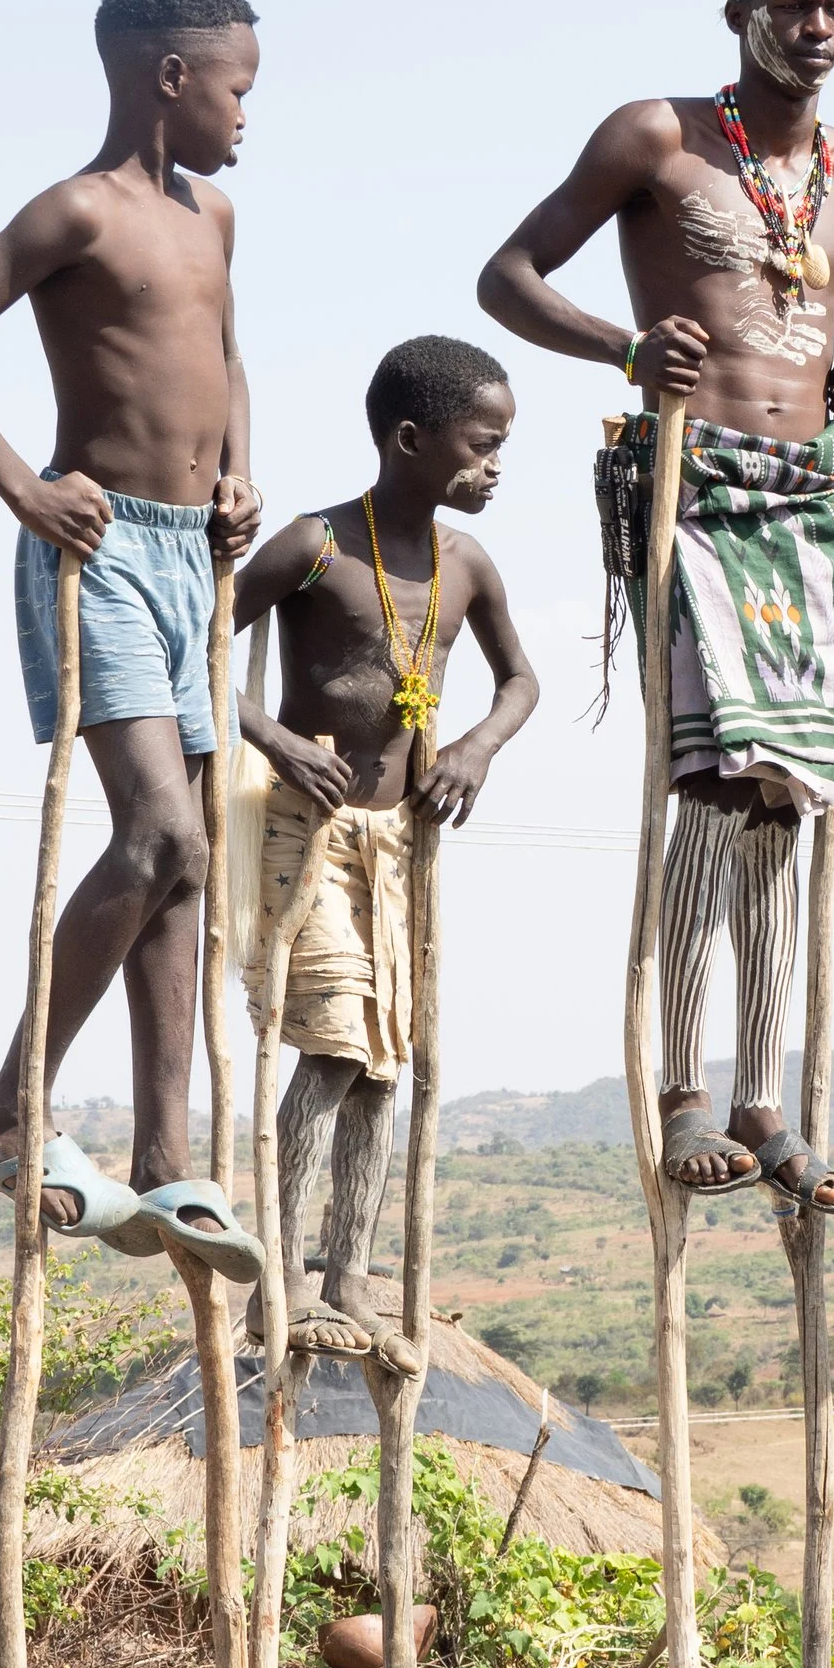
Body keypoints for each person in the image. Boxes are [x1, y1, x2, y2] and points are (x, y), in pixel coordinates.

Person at [477, 0, 834, 1218]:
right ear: (739, 14)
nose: (817, 27)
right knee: (716, 783)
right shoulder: (657, 140)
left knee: (789, 795)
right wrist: (622, 348)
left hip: (806, 496)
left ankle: (764, 1102)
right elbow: (506, 274)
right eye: (792, 6)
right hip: (693, 481)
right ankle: (679, 1094)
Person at [0, 0, 268, 1281]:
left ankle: (168, 1161)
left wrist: (238, 476)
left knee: (193, 860)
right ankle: (5, 1119)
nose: (245, 114)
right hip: (95, 548)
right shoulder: (78, 213)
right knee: (154, 828)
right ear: (172, 78)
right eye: (237, 87)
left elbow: (225, 359)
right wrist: (24, 487)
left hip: (187, 562)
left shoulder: (213, 216)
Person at [230, 335, 539, 1351]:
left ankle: (350, 1275)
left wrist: (477, 749)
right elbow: (196, 638)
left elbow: (519, 681)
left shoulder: (467, 564)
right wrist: (273, 739)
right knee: (330, 1047)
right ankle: (274, 1278)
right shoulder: (316, 545)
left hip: (404, 840)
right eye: (481, 444)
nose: (495, 465)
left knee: (381, 1064)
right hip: (306, 830)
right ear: (411, 440)